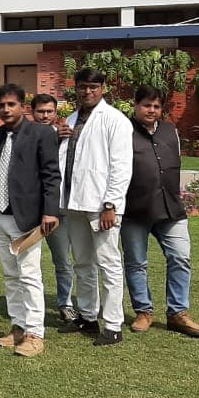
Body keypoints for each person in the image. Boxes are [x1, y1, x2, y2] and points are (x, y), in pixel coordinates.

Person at [0, 84, 62, 358]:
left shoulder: (41, 133)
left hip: (27, 217)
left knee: (29, 275)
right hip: (0, 215)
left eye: (11, 104)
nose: (6, 109)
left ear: (23, 106)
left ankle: (35, 333)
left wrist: (50, 211)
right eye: (1, 105)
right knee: (10, 275)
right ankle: (18, 327)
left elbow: (52, 175)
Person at [57, 68, 133, 347]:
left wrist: (111, 204)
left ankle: (113, 325)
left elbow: (121, 167)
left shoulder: (115, 120)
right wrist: (57, 137)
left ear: (103, 88)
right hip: (74, 202)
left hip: (102, 205)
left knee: (108, 263)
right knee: (82, 263)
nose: (87, 92)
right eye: (82, 87)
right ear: (75, 88)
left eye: (93, 87)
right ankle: (88, 316)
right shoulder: (71, 119)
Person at [122, 86, 199, 337]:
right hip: (134, 210)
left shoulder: (170, 131)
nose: (151, 110)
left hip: (171, 209)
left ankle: (178, 313)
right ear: (136, 105)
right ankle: (143, 312)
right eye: (146, 105)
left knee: (181, 257)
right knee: (136, 263)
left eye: (156, 106)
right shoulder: (123, 131)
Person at [31, 93, 78, 322]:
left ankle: (65, 303)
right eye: (41, 111)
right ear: (32, 112)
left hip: (56, 210)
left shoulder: (64, 134)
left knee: (63, 260)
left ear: (56, 113)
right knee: (27, 262)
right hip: (29, 210)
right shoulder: (25, 135)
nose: (45, 115)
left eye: (49, 111)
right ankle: (29, 305)